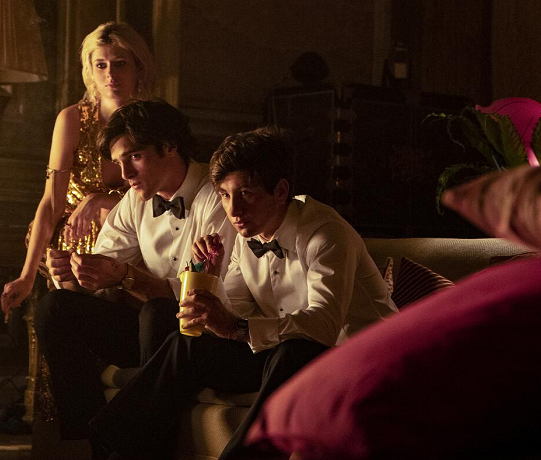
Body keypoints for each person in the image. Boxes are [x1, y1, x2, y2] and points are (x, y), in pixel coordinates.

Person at [89, 127, 397, 459]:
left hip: (357, 358)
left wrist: (236, 327)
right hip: (280, 353)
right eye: (223, 194)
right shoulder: (245, 237)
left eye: (245, 193)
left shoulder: (325, 234)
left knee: (292, 351)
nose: (233, 210)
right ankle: (109, 446)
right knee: (186, 344)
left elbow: (323, 326)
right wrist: (210, 279)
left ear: (280, 191)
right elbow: (236, 311)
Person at [34, 99, 236, 451]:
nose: (125, 173)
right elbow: (105, 268)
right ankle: (90, 442)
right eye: (118, 163)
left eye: (135, 157)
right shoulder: (134, 199)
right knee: (55, 307)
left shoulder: (218, 196)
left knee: (156, 312)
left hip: (199, 334)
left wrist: (127, 277)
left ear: (169, 146)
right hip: (148, 329)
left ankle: (143, 447)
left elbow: (204, 296)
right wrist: (72, 275)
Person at [0, 21, 156, 315]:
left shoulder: (154, 122)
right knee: (69, 311)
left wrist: (101, 200)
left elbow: (162, 199)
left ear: (138, 67)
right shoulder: (72, 119)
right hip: (76, 245)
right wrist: (27, 276)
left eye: (120, 64)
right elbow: (51, 202)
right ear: (90, 71)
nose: (110, 74)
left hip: (138, 241)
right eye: (101, 65)